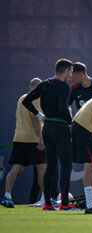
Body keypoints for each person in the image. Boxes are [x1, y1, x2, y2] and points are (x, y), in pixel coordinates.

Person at [23, 58, 80, 211]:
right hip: (61, 128)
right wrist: (71, 123)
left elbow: (26, 101)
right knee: (66, 166)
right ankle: (65, 205)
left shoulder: (44, 85)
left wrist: (40, 115)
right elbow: (63, 108)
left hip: (47, 128)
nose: (71, 75)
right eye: (71, 71)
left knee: (51, 167)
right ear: (66, 70)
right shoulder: (64, 87)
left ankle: (47, 203)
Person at [1, 78, 46, 208]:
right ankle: (45, 199)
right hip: (32, 139)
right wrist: (40, 138)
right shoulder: (35, 98)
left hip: (19, 138)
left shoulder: (21, 98)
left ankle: (7, 196)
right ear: (37, 88)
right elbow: (34, 118)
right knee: (42, 167)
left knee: (16, 168)